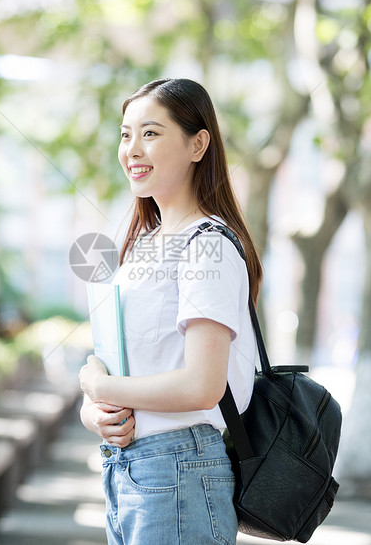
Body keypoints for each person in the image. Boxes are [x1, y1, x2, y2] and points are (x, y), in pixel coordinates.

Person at [78, 78, 263, 544]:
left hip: (179, 470)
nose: (132, 149)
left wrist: (100, 385)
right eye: (125, 135)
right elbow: (134, 361)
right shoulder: (143, 245)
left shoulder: (208, 247)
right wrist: (94, 410)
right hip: (130, 470)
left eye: (151, 133)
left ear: (198, 144)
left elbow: (202, 385)